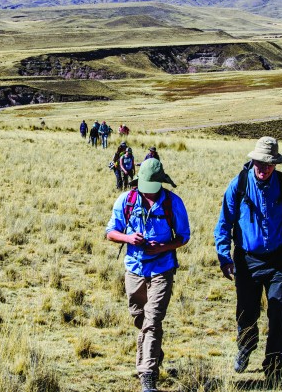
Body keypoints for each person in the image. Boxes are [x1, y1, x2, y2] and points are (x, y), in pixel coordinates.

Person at [214, 136, 282, 384]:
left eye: (269, 164)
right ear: (252, 160)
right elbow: (223, 225)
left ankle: (273, 366)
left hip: (277, 260)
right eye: (260, 163)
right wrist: (224, 257)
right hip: (246, 260)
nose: (264, 169)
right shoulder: (238, 185)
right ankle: (245, 347)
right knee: (247, 313)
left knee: (278, 309)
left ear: (276, 164)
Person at [106, 158, 190, 392]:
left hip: (162, 268)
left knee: (153, 320)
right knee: (139, 317)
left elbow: (183, 236)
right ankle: (154, 351)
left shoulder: (173, 204)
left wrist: (162, 247)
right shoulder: (126, 200)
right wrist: (128, 238)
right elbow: (110, 232)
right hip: (134, 267)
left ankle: (148, 376)